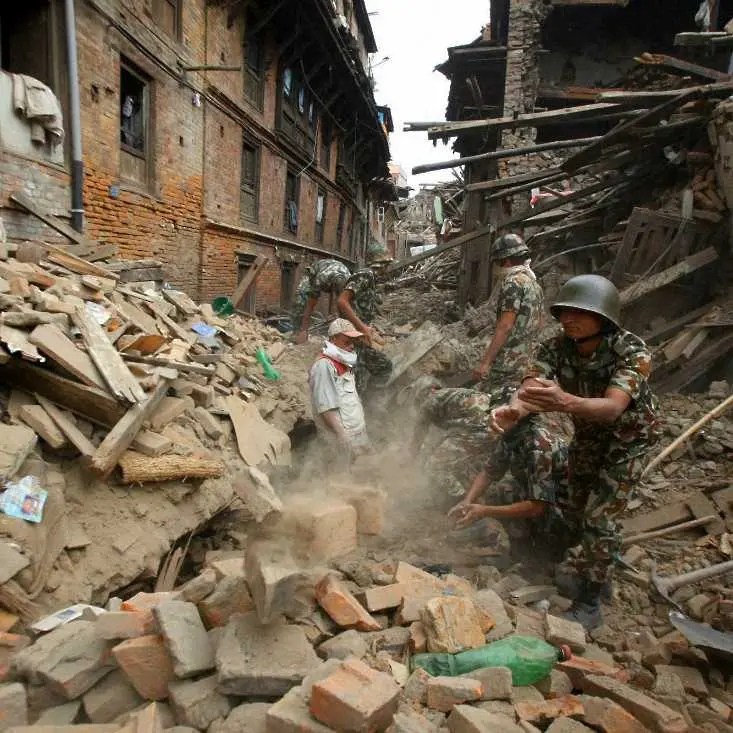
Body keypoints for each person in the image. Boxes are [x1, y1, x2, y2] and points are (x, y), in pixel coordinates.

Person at [490, 274, 662, 630]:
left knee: (601, 516)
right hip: (588, 435)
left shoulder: (632, 351)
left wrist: (563, 401)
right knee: (574, 507)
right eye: (564, 311)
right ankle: (595, 569)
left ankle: (589, 603)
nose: (569, 318)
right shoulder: (555, 347)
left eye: (579, 311)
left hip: (627, 441)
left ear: (604, 317)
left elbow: (613, 408)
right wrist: (514, 409)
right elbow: (532, 385)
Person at [473, 233, 543, 406]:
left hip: (509, 362)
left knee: (491, 404)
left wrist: (485, 363)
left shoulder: (513, 283)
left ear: (506, 261)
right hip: (528, 360)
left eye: (497, 262)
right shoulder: (534, 283)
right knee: (515, 402)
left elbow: (505, 326)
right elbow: (539, 323)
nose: (496, 267)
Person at [308, 318, 371, 463]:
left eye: (353, 342)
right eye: (347, 341)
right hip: (340, 440)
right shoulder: (324, 365)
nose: (351, 346)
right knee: (342, 481)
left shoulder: (343, 363)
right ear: (334, 339)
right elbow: (325, 408)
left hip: (357, 436)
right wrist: (342, 436)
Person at [337, 264, 392, 391]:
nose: (388, 269)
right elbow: (342, 301)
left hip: (361, 338)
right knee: (356, 382)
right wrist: (362, 328)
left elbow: (360, 308)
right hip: (351, 338)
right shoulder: (365, 274)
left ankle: (370, 405)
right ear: (381, 265)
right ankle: (354, 406)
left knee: (384, 366)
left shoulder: (372, 279)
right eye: (387, 265)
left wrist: (368, 328)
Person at [292, 259, 351, 344]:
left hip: (337, 271)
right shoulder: (321, 278)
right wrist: (304, 330)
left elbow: (344, 304)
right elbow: (311, 305)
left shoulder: (348, 281)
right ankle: (296, 331)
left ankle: (343, 335)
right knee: (300, 297)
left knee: (344, 308)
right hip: (314, 272)